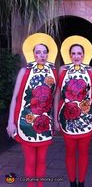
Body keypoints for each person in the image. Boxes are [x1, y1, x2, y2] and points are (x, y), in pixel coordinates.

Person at [6, 33, 58, 187]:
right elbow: (15, 98)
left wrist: (55, 120)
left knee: (42, 160)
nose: (41, 55)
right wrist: (11, 122)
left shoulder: (53, 72)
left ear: (48, 54)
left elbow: (55, 97)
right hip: (26, 122)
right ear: (33, 54)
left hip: (44, 123)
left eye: (44, 52)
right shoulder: (25, 71)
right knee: (30, 161)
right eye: (38, 52)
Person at [54, 35, 92, 187]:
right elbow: (57, 95)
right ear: (69, 55)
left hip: (86, 118)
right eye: (73, 53)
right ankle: (72, 182)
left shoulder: (91, 71)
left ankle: (82, 182)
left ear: (84, 55)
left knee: (84, 152)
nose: (76, 56)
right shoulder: (63, 70)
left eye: (79, 53)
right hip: (67, 118)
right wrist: (55, 119)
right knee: (70, 152)